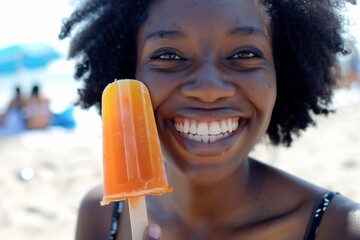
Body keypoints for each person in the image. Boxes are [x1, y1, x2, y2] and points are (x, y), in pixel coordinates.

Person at [59, 0, 360, 239]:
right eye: (169, 56)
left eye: (244, 53)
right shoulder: (101, 214)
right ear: (128, 72)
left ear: (282, 73)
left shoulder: (341, 229)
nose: (208, 89)